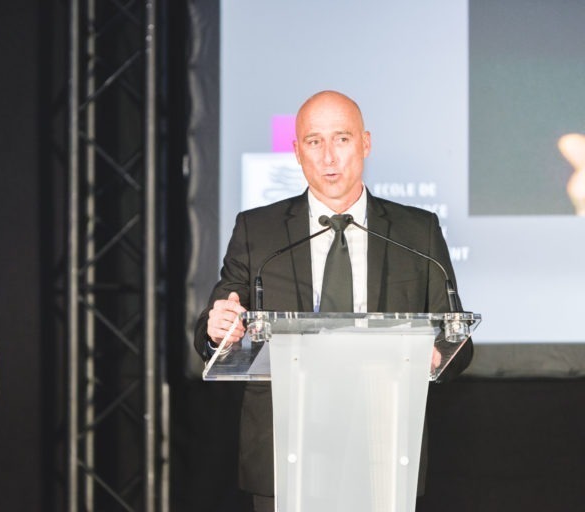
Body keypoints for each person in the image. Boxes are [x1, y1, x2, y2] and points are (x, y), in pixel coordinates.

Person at [194, 91, 473, 511]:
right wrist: (220, 331)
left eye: (341, 139)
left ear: (365, 143)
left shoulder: (418, 232)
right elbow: (214, 325)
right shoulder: (259, 231)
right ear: (296, 151)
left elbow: (457, 339)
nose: (328, 158)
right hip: (285, 445)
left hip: (384, 443)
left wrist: (436, 354)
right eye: (313, 141)